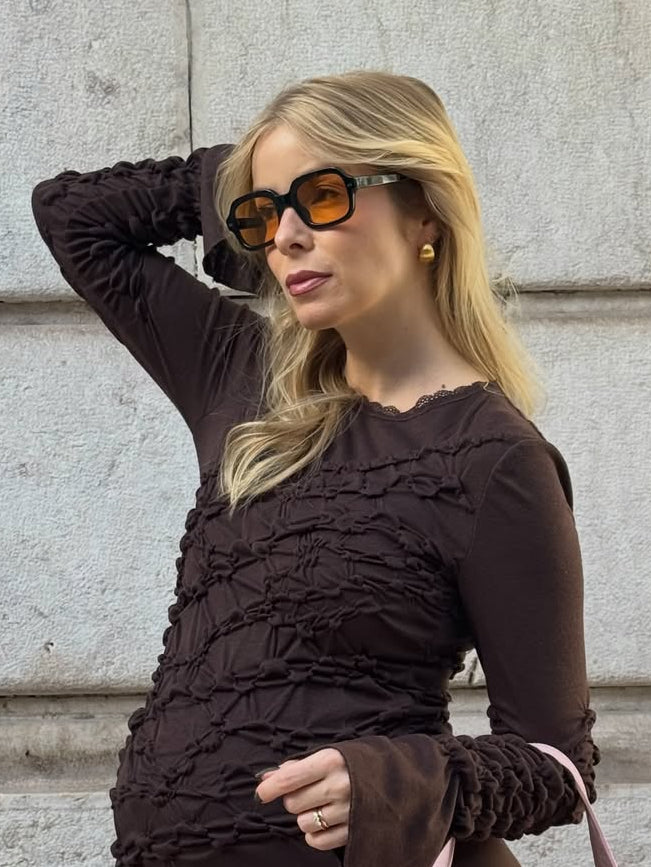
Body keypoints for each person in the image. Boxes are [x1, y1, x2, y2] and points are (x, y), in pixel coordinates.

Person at [31, 69, 599, 867]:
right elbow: (72, 215)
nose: (285, 236)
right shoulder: (243, 372)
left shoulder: (495, 459)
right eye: (265, 214)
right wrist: (251, 180)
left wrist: (395, 780)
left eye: (324, 197)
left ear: (423, 211)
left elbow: (557, 767)